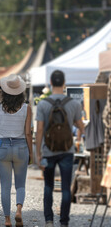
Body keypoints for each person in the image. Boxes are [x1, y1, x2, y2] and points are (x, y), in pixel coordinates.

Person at [36, 70, 84, 227]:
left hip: (48, 151)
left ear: (51, 82)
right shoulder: (74, 103)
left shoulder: (43, 104)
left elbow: (40, 130)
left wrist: (38, 153)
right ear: (64, 83)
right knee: (65, 188)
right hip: (67, 150)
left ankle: (49, 220)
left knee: (48, 186)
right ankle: (64, 222)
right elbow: (81, 126)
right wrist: (78, 132)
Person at [0, 74, 32, 227]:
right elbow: (28, 133)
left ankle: (7, 219)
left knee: (5, 186)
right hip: (21, 147)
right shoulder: (27, 108)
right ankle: (18, 210)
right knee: (20, 184)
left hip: (2, 146)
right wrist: (31, 153)